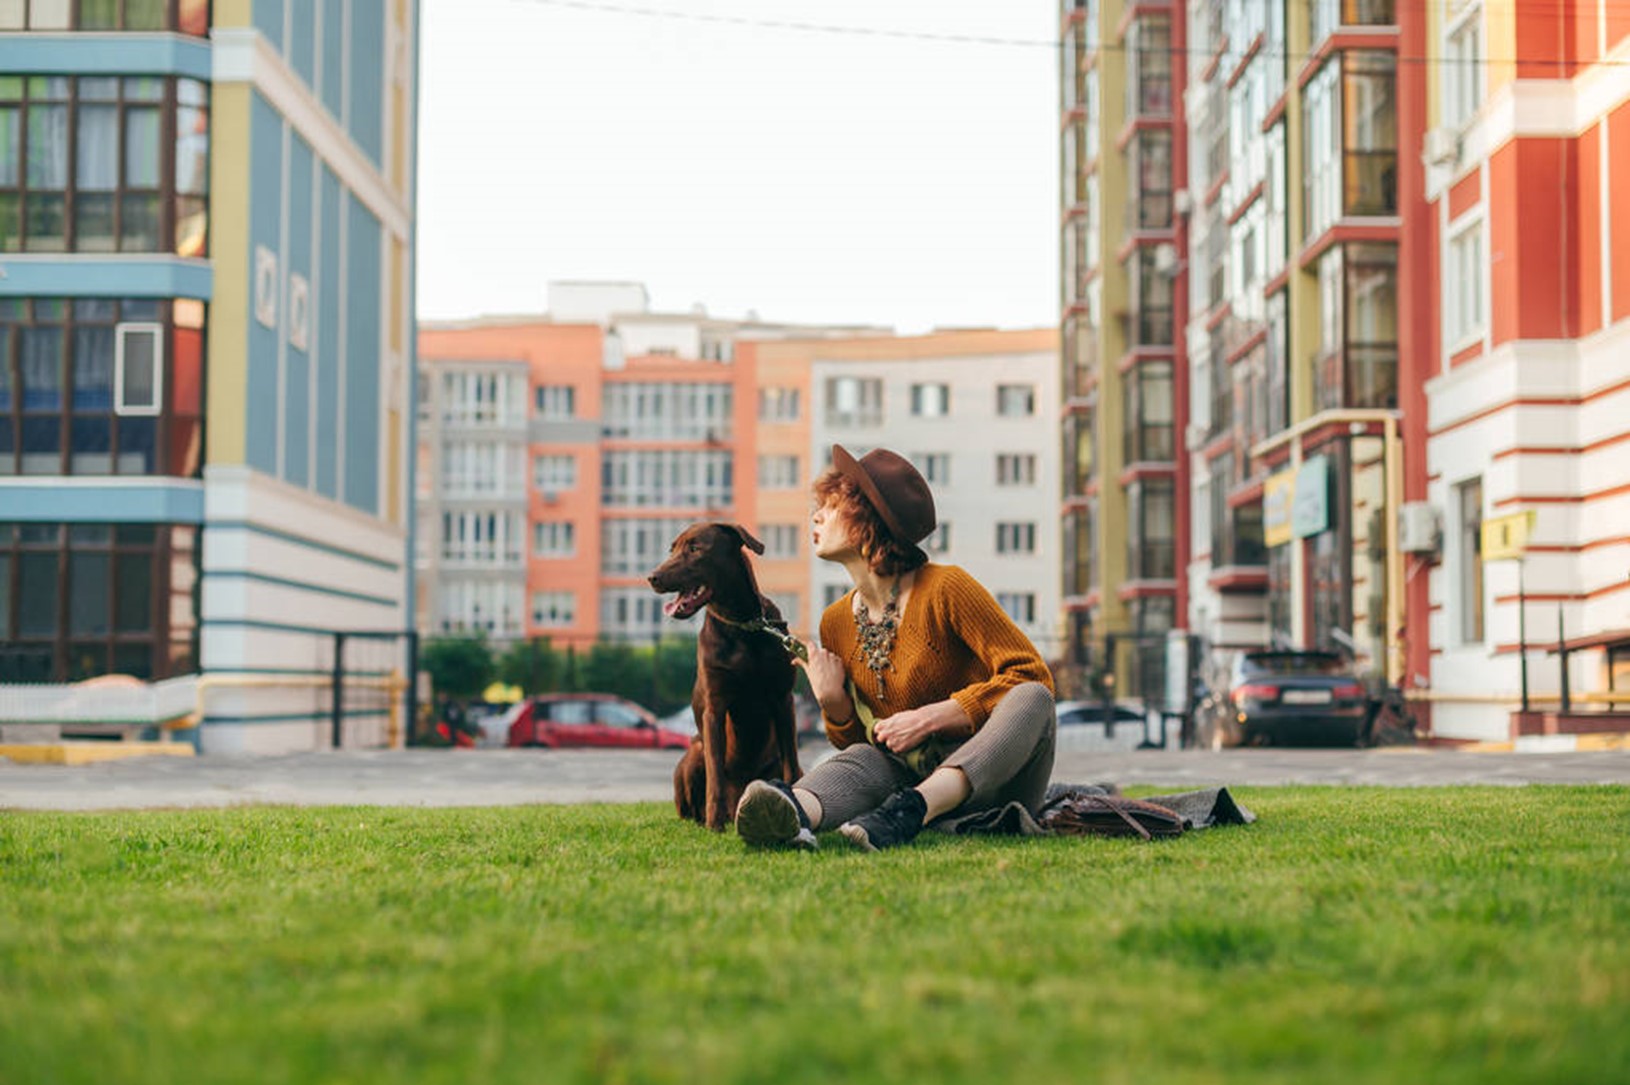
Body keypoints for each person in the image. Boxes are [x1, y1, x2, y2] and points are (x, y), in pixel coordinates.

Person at [735, 445, 1056, 852]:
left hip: (995, 781)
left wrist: (932, 717)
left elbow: (1032, 673)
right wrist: (834, 704)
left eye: (831, 506)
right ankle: (793, 813)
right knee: (867, 759)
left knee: (1032, 697)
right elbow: (860, 740)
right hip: (902, 785)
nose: (816, 516)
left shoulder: (946, 588)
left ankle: (913, 810)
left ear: (869, 519)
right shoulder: (835, 622)